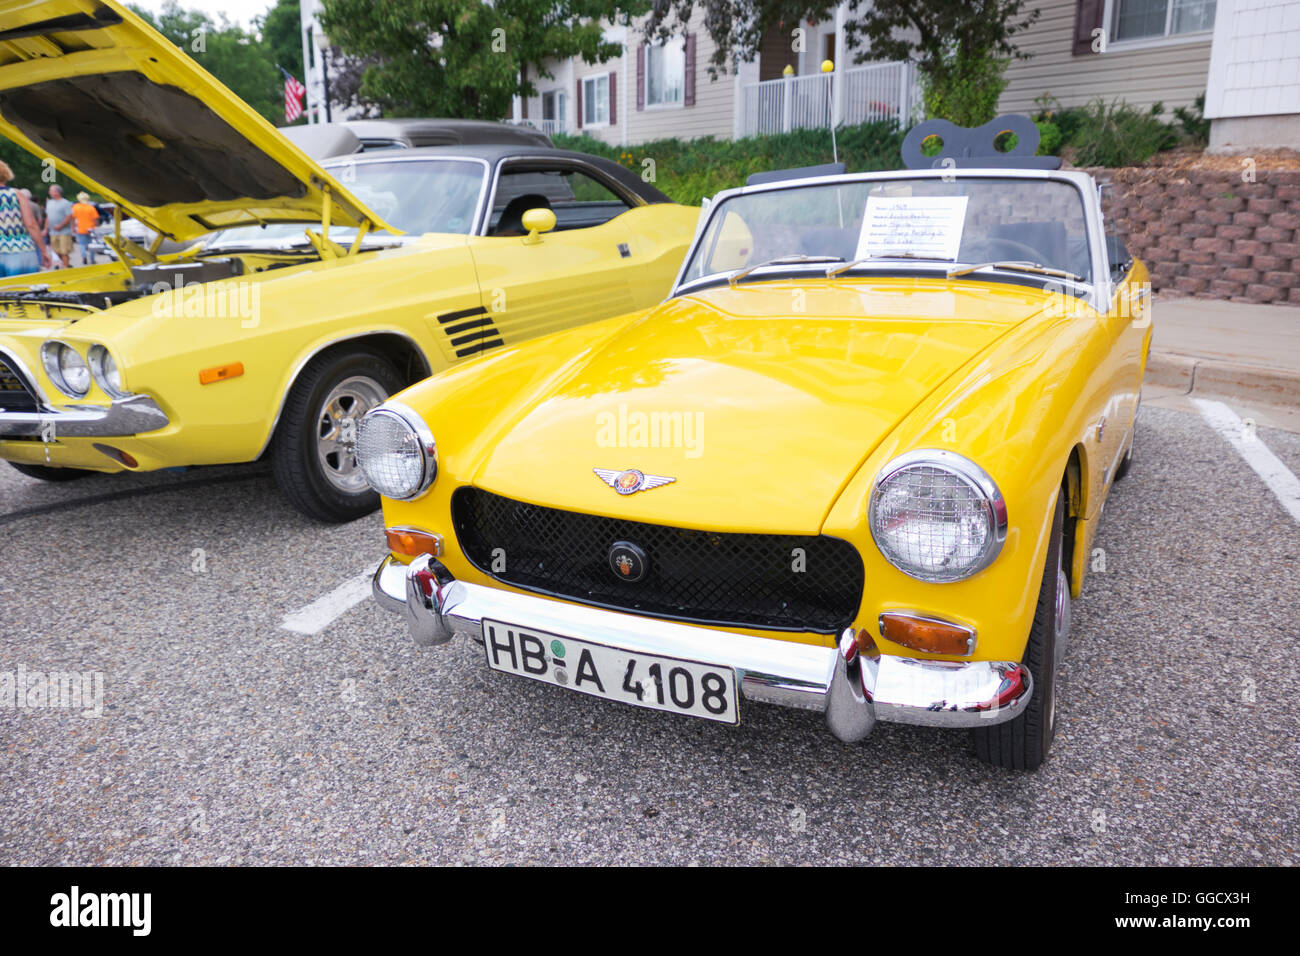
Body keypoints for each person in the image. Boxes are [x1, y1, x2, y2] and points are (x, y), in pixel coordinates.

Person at [0, 161, 51, 277]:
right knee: (23, 291)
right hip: (19, 250)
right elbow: (31, 224)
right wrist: (43, 250)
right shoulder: (16, 194)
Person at [45, 183, 74, 268]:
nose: (49, 192)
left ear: (57, 192)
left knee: (64, 251)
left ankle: (65, 267)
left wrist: (61, 226)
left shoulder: (65, 203)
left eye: (51, 191)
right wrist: (45, 229)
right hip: (53, 232)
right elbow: (48, 216)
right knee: (56, 251)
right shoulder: (49, 203)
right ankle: (67, 264)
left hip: (64, 232)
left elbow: (69, 216)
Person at [72, 191, 99, 265]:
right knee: (91, 244)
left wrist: (73, 227)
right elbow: (95, 219)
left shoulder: (76, 207)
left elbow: (73, 218)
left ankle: (84, 257)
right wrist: (97, 224)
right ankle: (92, 259)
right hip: (90, 229)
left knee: (82, 244)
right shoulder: (91, 207)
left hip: (80, 229)